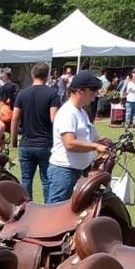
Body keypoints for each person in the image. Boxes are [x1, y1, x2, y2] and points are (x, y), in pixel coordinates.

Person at [46, 70, 111, 204]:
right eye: (92, 92)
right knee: (55, 213)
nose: (94, 97)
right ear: (80, 91)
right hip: (64, 171)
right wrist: (95, 146)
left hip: (79, 170)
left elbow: (91, 139)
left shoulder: (81, 112)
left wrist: (104, 142)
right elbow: (69, 143)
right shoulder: (67, 113)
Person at [11, 62, 60, 201]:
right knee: (46, 180)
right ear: (47, 75)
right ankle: (49, 209)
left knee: (26, 180)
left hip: (26, 143)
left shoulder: (22, 94)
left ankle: (27, 209)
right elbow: (54, 118)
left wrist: (14, 141)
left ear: (32, 74)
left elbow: (15, 118)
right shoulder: (52, 94)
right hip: (46, 143)